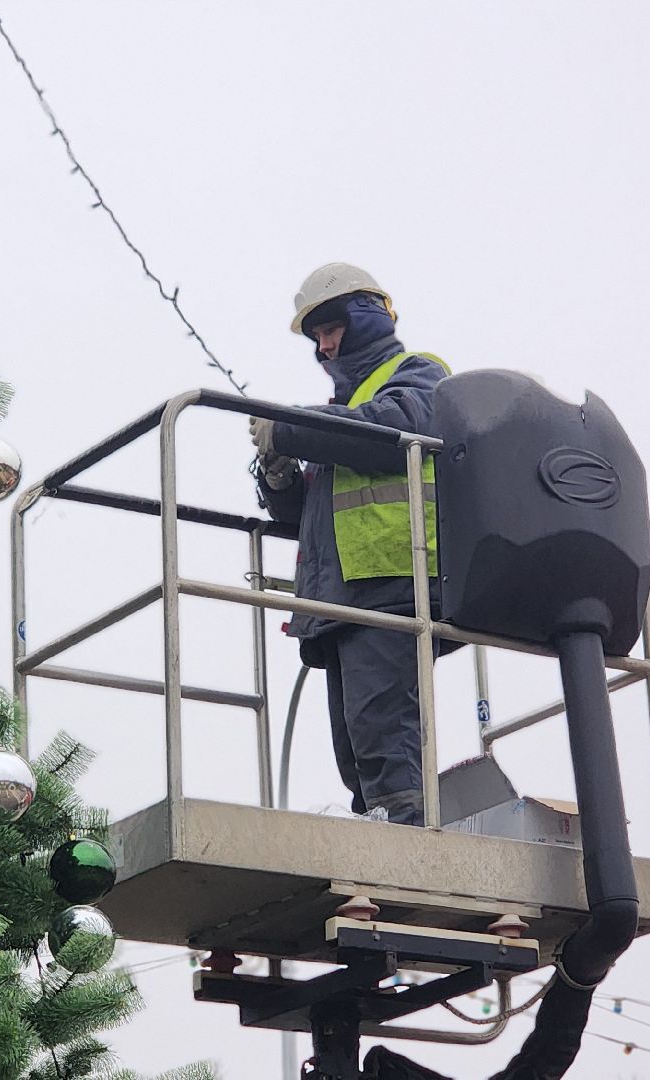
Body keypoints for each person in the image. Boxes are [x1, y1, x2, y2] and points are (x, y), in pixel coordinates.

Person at [250, 263, 449, 827]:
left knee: (386, 738)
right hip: (341, 596)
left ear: (366, 317)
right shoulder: (342, 416)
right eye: (316, 336)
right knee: (357, 751)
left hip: (391, 585)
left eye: (331, 328)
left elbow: (389, 432)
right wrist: (280, 475)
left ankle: (409, 842)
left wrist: (288, 427)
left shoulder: (419, 374)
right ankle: (383, 835)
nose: (324, 345)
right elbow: (308, 515)